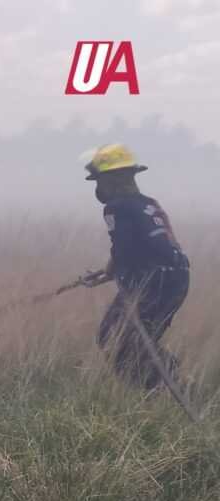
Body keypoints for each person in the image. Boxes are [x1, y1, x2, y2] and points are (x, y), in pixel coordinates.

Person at [81, 144, 190, 392]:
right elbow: (134, 246)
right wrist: (108, 272)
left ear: (113, 179)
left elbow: (123, 249)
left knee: (112, 336)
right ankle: (165, 383)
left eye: (100, 180)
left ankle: (159, 387)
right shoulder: (148, 203)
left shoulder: (115, 207)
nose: (99, 188)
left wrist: (119, 275)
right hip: (178, 277)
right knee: (136, 338)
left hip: (151, 282)